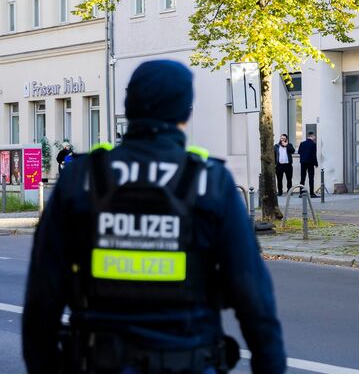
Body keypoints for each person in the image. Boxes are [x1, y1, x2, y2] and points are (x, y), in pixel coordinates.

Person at [22, 60, 286, 373]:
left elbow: (42, 295)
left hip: (97, 362)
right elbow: (252, 294)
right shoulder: (210, 182)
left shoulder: (81, 178)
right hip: (189, 360)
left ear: (129, 108)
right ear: (185, 113)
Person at [298, 131, 319, 198]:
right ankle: (312, 193)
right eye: (314, 136)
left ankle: (301, 193)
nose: (314, 138)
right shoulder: (313, 144)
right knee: (311, 178)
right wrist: (316, 163)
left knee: (302, 178)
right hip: (310, 163)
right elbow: (314, 155)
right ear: (312, 136)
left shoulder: (302, 143)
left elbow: (299, 152)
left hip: (303, 162)